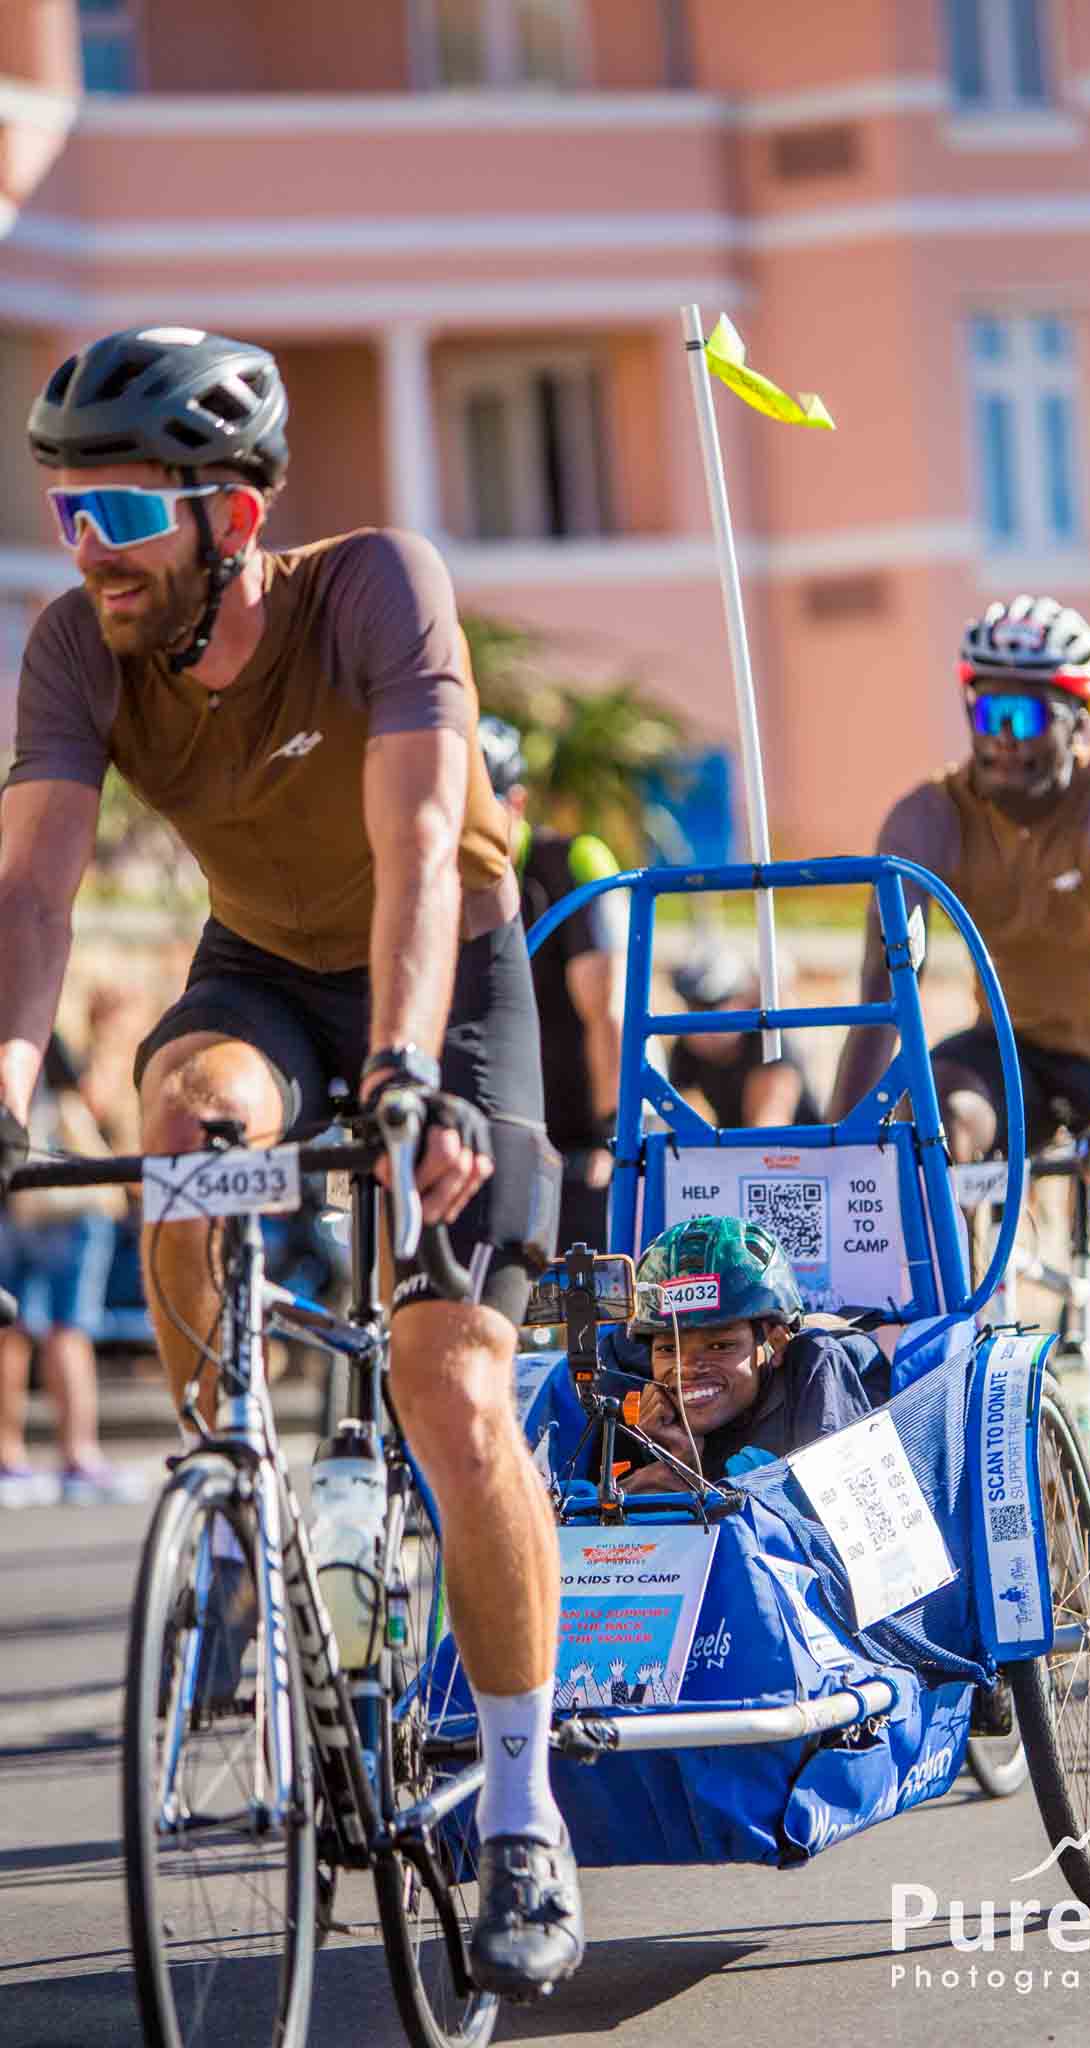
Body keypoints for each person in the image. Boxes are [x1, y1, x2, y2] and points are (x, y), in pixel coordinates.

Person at [0, 327, 580, 1995]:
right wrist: (5, 1096)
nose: (88, 550)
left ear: (232, 515)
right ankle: (236, 1487)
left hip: (447, 978)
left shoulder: (377, 588)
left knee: (450, 1386)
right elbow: (32, 889)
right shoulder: (79, 645)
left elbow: (418, 845)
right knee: (188, 1118)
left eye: (121, 514)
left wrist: (407, 1075)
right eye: (65, 512)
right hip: (258, 973)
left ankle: (522, 1811)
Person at [829, 594, 1090, 1706]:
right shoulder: (925, 816)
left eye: (1026, 712)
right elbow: (879, 999)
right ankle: (964, 1346)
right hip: (1013, 1048)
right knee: (935, 1127)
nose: (1000, 736)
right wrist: (844, 1150)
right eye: (983, 709)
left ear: (1078, 713)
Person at [480, 715, 624, 1253]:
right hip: (501, 1124)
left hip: (584, 1131)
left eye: (477, 805)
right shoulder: (436, 873)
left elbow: (608, 1013)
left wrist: (611, 1137)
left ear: (515, 803)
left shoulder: (569, 863)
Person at [619, 1214, 877, 1492]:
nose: (687, 1368)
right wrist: (669, 1459)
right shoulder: (636, 1399)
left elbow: (840, 1504)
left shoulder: (813, 1370)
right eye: (668, 1349)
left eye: (719, 1346)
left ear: (776, 1340)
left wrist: (695, 1486)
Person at [0, 1030, 143, 1507]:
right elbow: (90, 1096)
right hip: (63, 1189)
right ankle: (77, 1454)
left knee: (11, 1330)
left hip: (11, 1190)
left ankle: (8, 1455)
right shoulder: (44, 1023)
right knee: (68, 1328)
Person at [666, 948, 821, 1128]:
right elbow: (684, 1121)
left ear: (743, 1002)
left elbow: (768, 1127)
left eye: (714, 1006)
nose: (703, 1020)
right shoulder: (686, 1048)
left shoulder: (769, 1044)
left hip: (794, 1144)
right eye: (693, 1007)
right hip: (734, 1142)